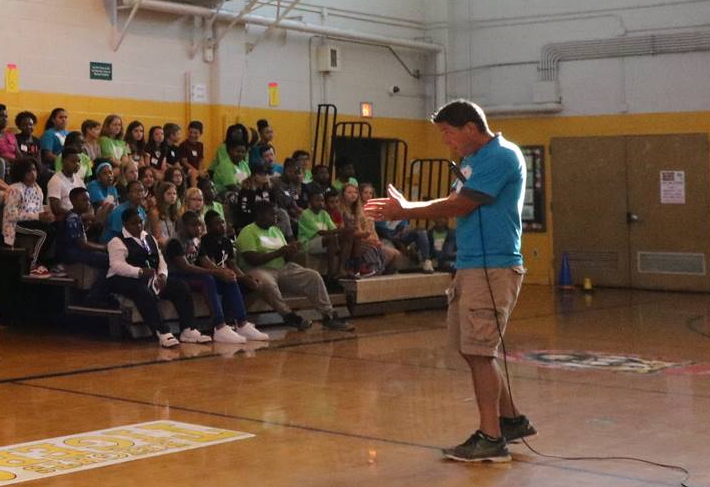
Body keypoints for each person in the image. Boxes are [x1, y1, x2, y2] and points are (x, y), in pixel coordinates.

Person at [366, 99, 532, 463]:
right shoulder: (472, 161)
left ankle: (491, 438)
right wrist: (409, 206)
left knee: (479, 349)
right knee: (470, 347)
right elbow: (456, 199)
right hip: (471, 265)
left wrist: (407, 210)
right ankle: (511, 420)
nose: (447, 142)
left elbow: (461, 205)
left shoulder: (501, 156)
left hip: (492, 267)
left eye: (449, 133)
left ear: (471, 128)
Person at [103, 206, 206, 352]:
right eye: (134, 223)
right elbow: (117, 265)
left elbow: (160, 259)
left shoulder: (148, 238)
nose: (139, 225)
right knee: (141, 291)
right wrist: (139, 271)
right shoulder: (117, 241)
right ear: (125, 224)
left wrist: (163, 274)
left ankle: (188, 329)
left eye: (140, 222)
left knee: (180, 286)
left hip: (149, 276)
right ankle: (162, 331)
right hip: (121, 278)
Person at [236, 201, 351, 332]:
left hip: (282, 269)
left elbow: (285, 257)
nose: (276, 217)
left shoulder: (276, 231)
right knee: (265, 281)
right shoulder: (248, 232)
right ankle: (289, 315)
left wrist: (291, 251)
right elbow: (252, 259)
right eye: (272, 214)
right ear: (260, 215)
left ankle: (329, 315)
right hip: (258, 269)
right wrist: (279, 252)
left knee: (312, 276)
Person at [165, 211, 255, 345]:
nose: (198, 229)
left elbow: (205, 261)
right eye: (193, 225)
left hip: (190, 276)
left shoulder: (196, 241)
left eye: (199, 225)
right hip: (175, 277)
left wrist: (224, 272)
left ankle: (242, 323)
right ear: (183, 226)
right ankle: (219, 326)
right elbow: (186, 267)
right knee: (207, 279)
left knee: (229, 278)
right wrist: (216, 273)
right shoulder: (174, 242)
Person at [0, 157, 54, 273]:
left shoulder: (37, 189)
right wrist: (37, 217)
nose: (33, 174)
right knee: (45, 233)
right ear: (21, 173)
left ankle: (49, 263)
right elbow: (11, 215)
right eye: (28, 171)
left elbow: (38, 209)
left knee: (55, 227)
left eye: (34, 170)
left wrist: (45, 216)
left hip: (31, 221)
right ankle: (33, 263)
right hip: (15, 224)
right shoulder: (14, 189)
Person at [46, 146, 87, 214]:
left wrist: (90, 213)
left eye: (78, 161)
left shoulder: (78, 179)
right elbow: (56, 209)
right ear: (63, 162)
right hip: (64, 220)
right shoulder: (55, 181)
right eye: (73, 161)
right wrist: (76, 216)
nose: (77, 164)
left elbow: (87, 200)